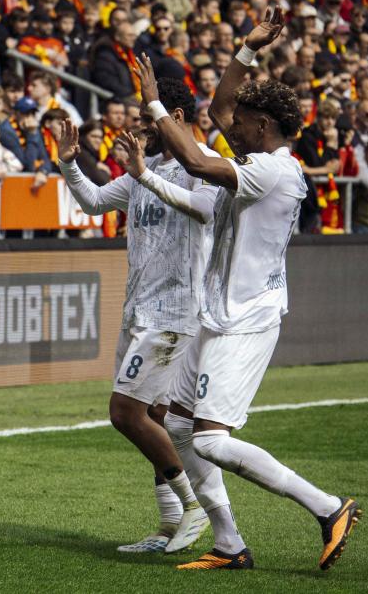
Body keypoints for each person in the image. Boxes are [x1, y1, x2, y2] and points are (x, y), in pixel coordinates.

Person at [133, 8, 360, 571]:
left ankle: (328, 507)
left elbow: (193, 158)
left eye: (240, 122)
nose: (227, 125)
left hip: (246, 320)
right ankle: (229, 544)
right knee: (175, 424)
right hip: (217, 314)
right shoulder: (258, 156)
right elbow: (218, 108)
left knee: (209, 440)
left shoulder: (273, 171)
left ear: (262, 125)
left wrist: (155, 105)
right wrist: (247, 49)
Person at [60, 74, 221, 554]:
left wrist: (144, 175)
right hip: (139, 309)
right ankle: (169, 525)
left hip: (175, 313)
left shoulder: (203, 163)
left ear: (173, 117)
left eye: (145, 116)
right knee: (153, 416)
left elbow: (205, 210)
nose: (137, 125)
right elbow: (93, 203)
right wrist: (69, 164)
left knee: (125, 412)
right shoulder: (143, 166)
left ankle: (193, 506)